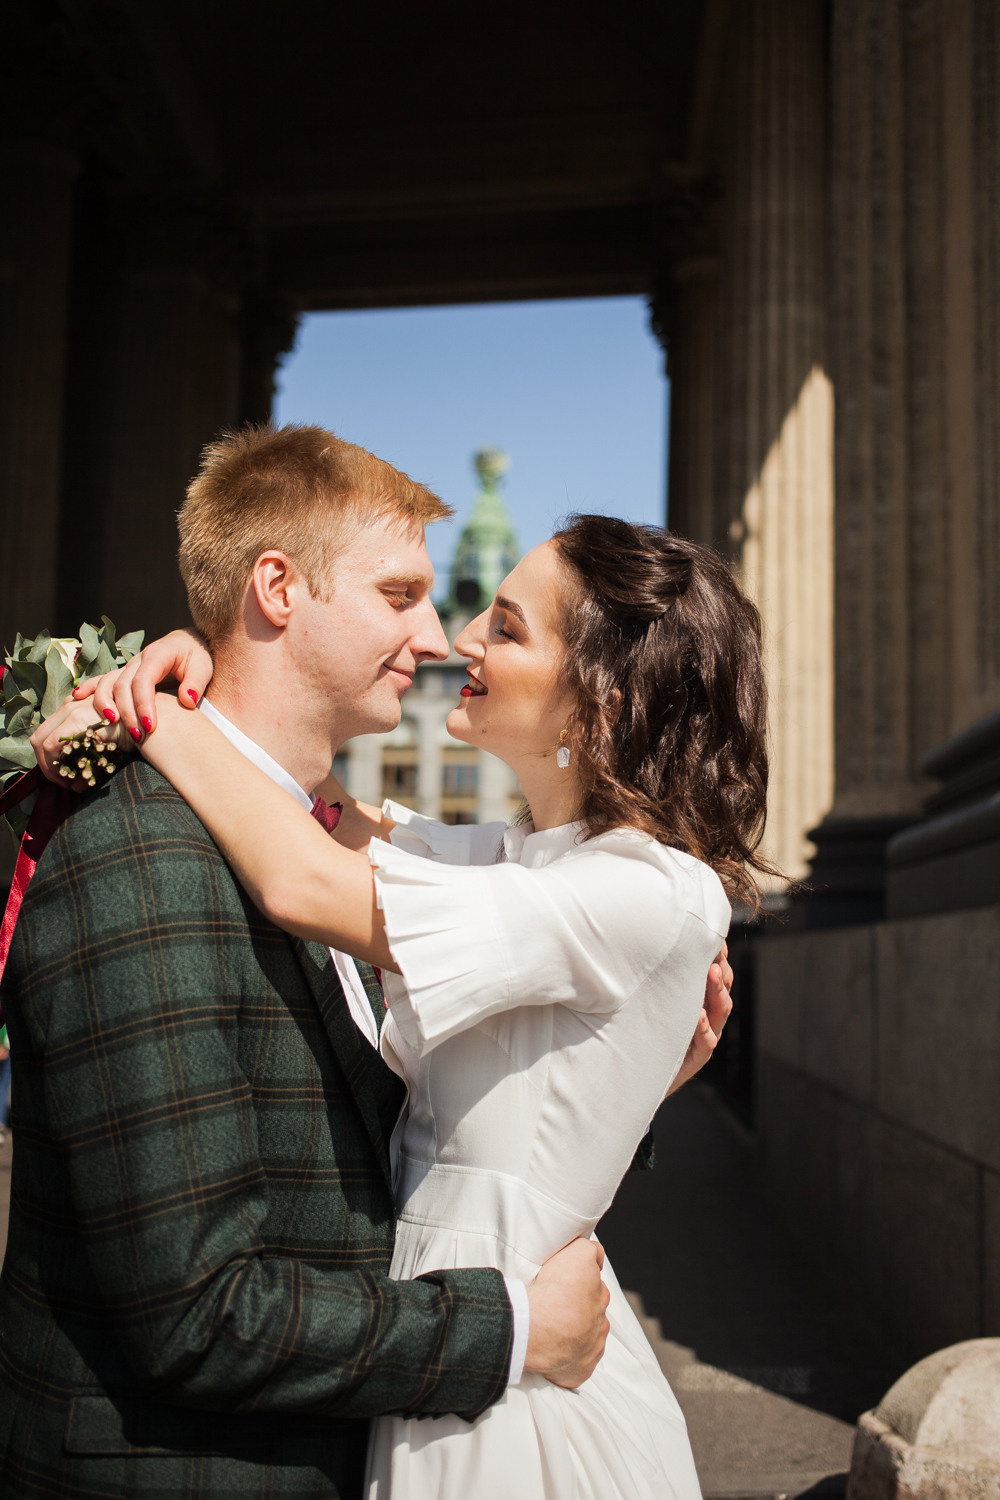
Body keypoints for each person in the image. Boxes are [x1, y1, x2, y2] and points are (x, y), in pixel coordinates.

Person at [8, 424, 729, 1500]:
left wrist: (160, 707)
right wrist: (164, 685)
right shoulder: (146, 858)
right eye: (401, 596)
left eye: (492, 623)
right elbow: (197, 1309)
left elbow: (318, 887)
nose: (441, 641)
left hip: (448, 1421)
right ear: (279, 589)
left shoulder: (589, 882)